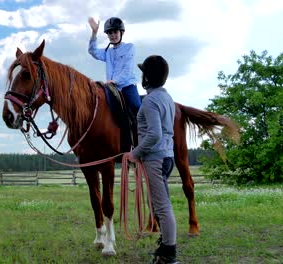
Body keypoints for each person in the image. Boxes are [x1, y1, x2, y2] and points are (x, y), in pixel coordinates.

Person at [126, 55, 179, 264]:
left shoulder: (149, 101)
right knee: (160, 204)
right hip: (167, 156)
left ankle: (169, 253)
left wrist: (135, 153)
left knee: (162, 206)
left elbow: (155, 134)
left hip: (155, 159)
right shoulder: (167, 98)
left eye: (143, 73)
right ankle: (166, 245)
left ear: (147, 76)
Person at [87, 16, 141, 116]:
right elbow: (92, 51)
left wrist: (115, 81)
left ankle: (143, 130)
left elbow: (127, 70)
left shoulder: (129, 47)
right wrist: (94, 33)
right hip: (112, 88)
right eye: (110, 33)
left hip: (127, 86)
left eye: (115, 32)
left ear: (122, 33)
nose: (113, 35)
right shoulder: (108, 51)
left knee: (136, 106)